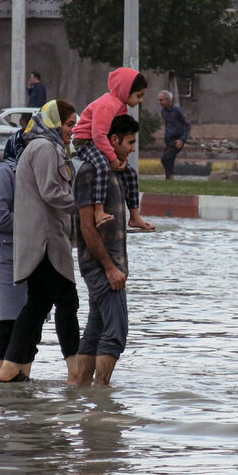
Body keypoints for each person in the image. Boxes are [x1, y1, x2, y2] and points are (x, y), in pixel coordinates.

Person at [0, 100, 82, 384]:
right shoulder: (44, 148)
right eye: (69, 124)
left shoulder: (47, 147)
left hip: (43, 242)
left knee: (38, 304)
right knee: (67, 301)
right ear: (55, 122)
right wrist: (84, 206)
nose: (72, 130)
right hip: (45, 243)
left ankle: (9, 369)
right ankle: (76, 373)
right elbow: (51, 191)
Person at [72, 114, 139, 387]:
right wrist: (110, 268)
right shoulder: (91, 171)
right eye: (130, 142)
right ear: (113, 140)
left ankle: (80, 388)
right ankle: (102, 394)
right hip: (101, 264)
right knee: (115, 331)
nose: (133, 148)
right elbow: (87, 228)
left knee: (96, 329)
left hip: (113, 263)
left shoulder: (113, 172)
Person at [0, 131, 39, 383]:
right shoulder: (4, 174)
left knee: (31, 326)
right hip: (6, 262)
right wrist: (32, 223)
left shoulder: (32, 175)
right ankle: (2, 383)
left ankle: (21, 382)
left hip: (31, 259)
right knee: (7, 325)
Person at [72, 68, 154, 232]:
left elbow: (117, 139)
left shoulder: (121, 107)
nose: (140, 100)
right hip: (85, 141)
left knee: (130, 173)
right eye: (138, 95)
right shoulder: (108, 104)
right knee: (102, 166)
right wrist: (111, 157)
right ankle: (99, 211)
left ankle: (134, 216)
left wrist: (123, 160)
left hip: (100, 143)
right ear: (126, 91)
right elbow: (98, 134)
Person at [157, 90, 192, 180]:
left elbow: (187, 125)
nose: (159, 103)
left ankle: (170, 177)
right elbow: (167, 125)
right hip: (168, 139)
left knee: (165, 158)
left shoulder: (177, 111)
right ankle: (169, 179)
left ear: (168, 100)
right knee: (169, 160)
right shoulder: (163, 111)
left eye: (161, 100)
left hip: (177, 140)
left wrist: (182, 139)